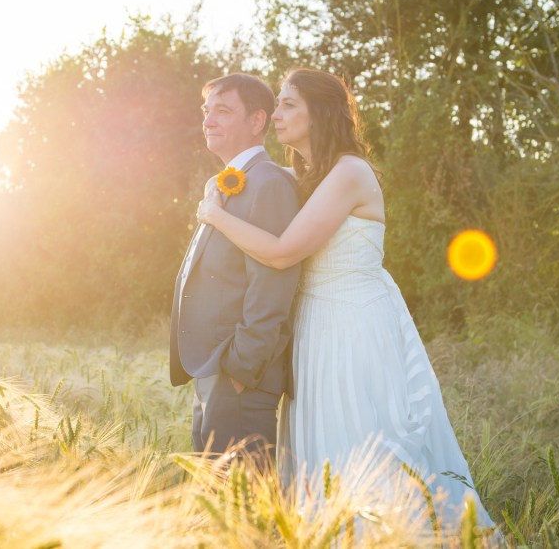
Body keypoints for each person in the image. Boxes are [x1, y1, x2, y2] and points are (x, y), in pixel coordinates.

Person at [196, 68, 496, 530]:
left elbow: (281, 253)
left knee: (360, 445)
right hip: (315, 330)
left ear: (320, 112)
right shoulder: (305, 175)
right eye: (277, 104)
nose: (276, 114)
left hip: (352, 330)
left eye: (288, 104)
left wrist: (214, 214)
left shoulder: (349, 172)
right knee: (320, 454)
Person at [170, 73, 301, 460]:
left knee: (243, 504)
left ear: (257, 121)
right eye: (206, 110)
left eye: (223, 111)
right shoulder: (228, 182)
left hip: (239, 373)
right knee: (217, 495)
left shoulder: (268, 183)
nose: (208, 119)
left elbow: (273, 282)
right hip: (214, 368)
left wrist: (243, 370)